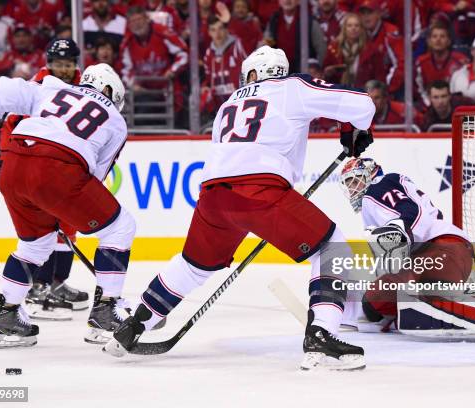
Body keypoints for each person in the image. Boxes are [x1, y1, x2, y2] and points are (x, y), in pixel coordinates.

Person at [104, 46, 375, 371]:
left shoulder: (228, 103)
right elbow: (363, 103)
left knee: (193, 265)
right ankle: (322, 333)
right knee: (332, 247)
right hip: (261, 189)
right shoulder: (292, 86)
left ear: (249, 74)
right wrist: (351, 129)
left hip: (214, 195)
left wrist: (348, 127)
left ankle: (135, 325)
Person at [0, 63, 134, 348]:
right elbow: (95, 177)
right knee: (121, 227)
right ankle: (107, 309)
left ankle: (6, 316)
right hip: (59, 168)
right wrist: (61, 204)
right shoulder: (116, 121)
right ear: (109, 90)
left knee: (34, 245)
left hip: (15, 162)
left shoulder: (52, 88)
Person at [339, 158, 475, 337]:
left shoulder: (376, 190)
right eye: (348, 184)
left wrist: (400, 230)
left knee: (380, 298)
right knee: (415, 306)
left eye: (355, 180)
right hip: (450, 250)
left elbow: (411, 213)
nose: (353, 188)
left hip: (440, 249)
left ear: (371, 174)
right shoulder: (394, 182)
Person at [201, 16, 247, 120]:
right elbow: (208, 79)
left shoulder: (237, 45)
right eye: (213, 30)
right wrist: (205, 88)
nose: (217, 33)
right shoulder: (208, 54)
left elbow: (248, 35)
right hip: (219, 109)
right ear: (209, 32)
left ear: (226, 30)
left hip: (240, 106)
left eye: (220, 28)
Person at [354, 0, 404, 94]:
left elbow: (401, 63)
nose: (366, 17)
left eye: (370, 13)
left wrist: (388, 89)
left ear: (379, 14)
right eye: (363, 14)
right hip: (368, 88)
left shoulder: (390, 33)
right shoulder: (360, 34)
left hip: (391, 89)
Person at [415, 22, 469, 108]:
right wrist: (430, 104)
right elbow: (419, 89)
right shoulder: (421, 62)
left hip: (455, 106)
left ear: (449, 41)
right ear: (429, 41)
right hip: (428, 106)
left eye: (442, 36)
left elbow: (464, 88)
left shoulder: (461, 61)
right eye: (434, 36)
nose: (438, 39)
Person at [263, 0, 327, 72]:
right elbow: (266, 45)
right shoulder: (274, 20)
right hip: (279, 73)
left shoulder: (309, 21)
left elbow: (322, 49)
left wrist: (317, 70)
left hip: (303, 74)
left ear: (298, 1)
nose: (288, 1)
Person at [322, 12, 365, 86]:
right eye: (349, 25)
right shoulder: (334, 47)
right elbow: (324, 73)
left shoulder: (367, 48)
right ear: (344, 28)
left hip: (361, 89)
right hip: (337, 89)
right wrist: (328, 73)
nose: (353, 28)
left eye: (356, 25)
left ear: (361, 29)